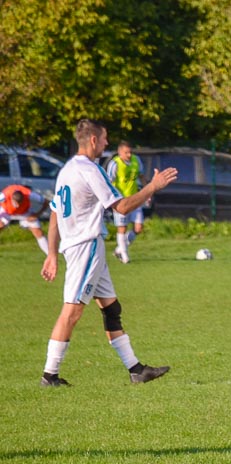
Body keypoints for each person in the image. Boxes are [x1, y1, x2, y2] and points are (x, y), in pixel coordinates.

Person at [39, 119, 178, 387]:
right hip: (86, 246)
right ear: (93, 140)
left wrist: (52, 253)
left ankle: (136, 370)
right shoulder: (90, 170)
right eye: (104, 139)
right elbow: (122, 207)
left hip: (82, 246)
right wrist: (152, 187)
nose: (106, 144)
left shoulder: (66, 169)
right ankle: (50, 375)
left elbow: (55, 212)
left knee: (112, 308)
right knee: (72, 311)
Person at [107, 141, 147, 264]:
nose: (129, 155)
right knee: (122, 228)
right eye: (126, 152)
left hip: (135, 199)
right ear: (119, 152)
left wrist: (147, 192)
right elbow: (108, 182)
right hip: (121, 201)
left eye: (130, 152)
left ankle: (119, 249)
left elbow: (141, 176)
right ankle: (125, 256)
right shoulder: (115, 164)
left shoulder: (136, 160)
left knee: (138, 228)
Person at [0, 184, 50, 254]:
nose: (17, 206)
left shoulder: (29, 194)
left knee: (38, 232)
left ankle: (50, 255)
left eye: (20, 203)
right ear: (11, 198)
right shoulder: (4, 195)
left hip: (25, 212)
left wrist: (37, 215)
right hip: (6, 211)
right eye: (15, 203)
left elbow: (46, 202)